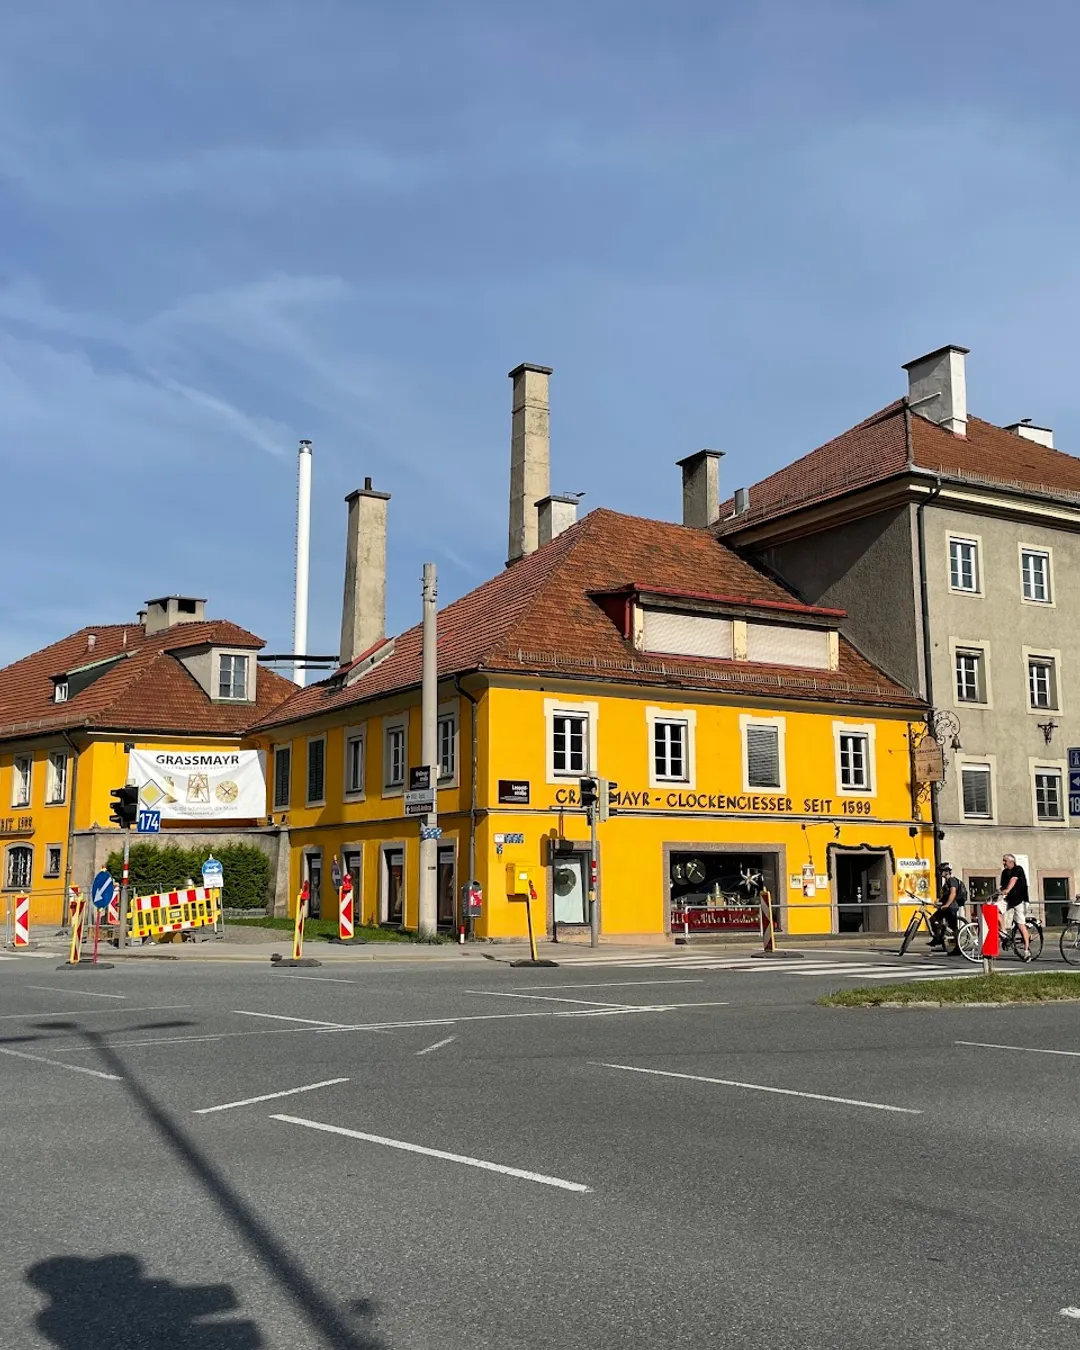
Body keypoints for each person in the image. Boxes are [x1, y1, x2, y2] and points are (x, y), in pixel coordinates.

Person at [998, 853, 1031, 959]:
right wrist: (995, 894)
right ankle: (1003, 931)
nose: (1003, 863)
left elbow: (1013, 880)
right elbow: (1002, 886)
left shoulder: (1018, 869)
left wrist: (1008, 889)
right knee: (995, 909)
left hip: (1020, 900)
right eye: (1003, 860)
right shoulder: (1004, 872)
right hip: (1008, 899)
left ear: (1011, 862)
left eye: (1005, 861)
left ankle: (1026, 950)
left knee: (1021, 925)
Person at [929, 863, 964, 953]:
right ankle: (938, 938)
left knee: (953, 928)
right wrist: (939, 902)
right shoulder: (946, 882)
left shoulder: (952, 880)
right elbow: (946, 896)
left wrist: (946, 905)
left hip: (951, 907)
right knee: (933, 919)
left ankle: (958, 948)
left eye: (941, 871)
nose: (940, 873)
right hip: (947, 906)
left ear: (947, 871)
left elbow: (953, 894)